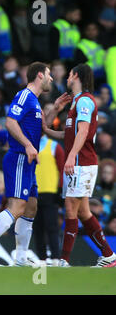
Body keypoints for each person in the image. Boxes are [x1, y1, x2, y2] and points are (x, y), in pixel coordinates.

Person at [0, 62, 55, 266]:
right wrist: (27, 145)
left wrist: (58, 108)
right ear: (40, 75)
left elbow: (40, 131)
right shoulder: (24, 96)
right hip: (18, 157)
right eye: (49, 75)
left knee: (31, 207)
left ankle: (20, 259)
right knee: (17, 207)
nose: (52, 79)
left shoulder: (34, 102)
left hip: (28, 162)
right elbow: (10, 122)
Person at [43, 63, 116, 267]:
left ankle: (64, 260)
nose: (66, 78)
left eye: (69, 75)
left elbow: (83, 133)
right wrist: (48, 127)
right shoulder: (75, 102)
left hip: (81, 163)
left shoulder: (84, 102)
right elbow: (69, 134)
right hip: (78, 162)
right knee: (83, 212)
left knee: (70, 209)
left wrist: (70, 157)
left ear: (75, 76)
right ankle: (109, 256)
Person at [33, 126, 65, 266]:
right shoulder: (29, 145)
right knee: (38, 227)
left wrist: (60, 191)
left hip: (50, 192)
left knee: (51, 226)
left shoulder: (54, 146)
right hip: (33, 192)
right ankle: (42, 258)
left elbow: (62, 168)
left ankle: (56, 257)